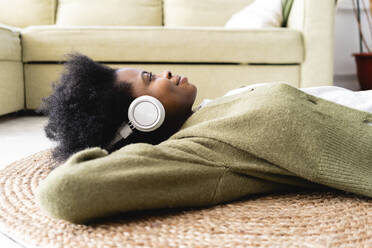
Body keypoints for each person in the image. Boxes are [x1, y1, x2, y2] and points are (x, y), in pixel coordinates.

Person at [36, 53, 372, 224]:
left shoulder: (213, 108)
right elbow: (65, 192)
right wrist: (116, 148)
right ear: (143, 115)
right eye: (150, 79)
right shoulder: (197, 150)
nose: (165, 72)